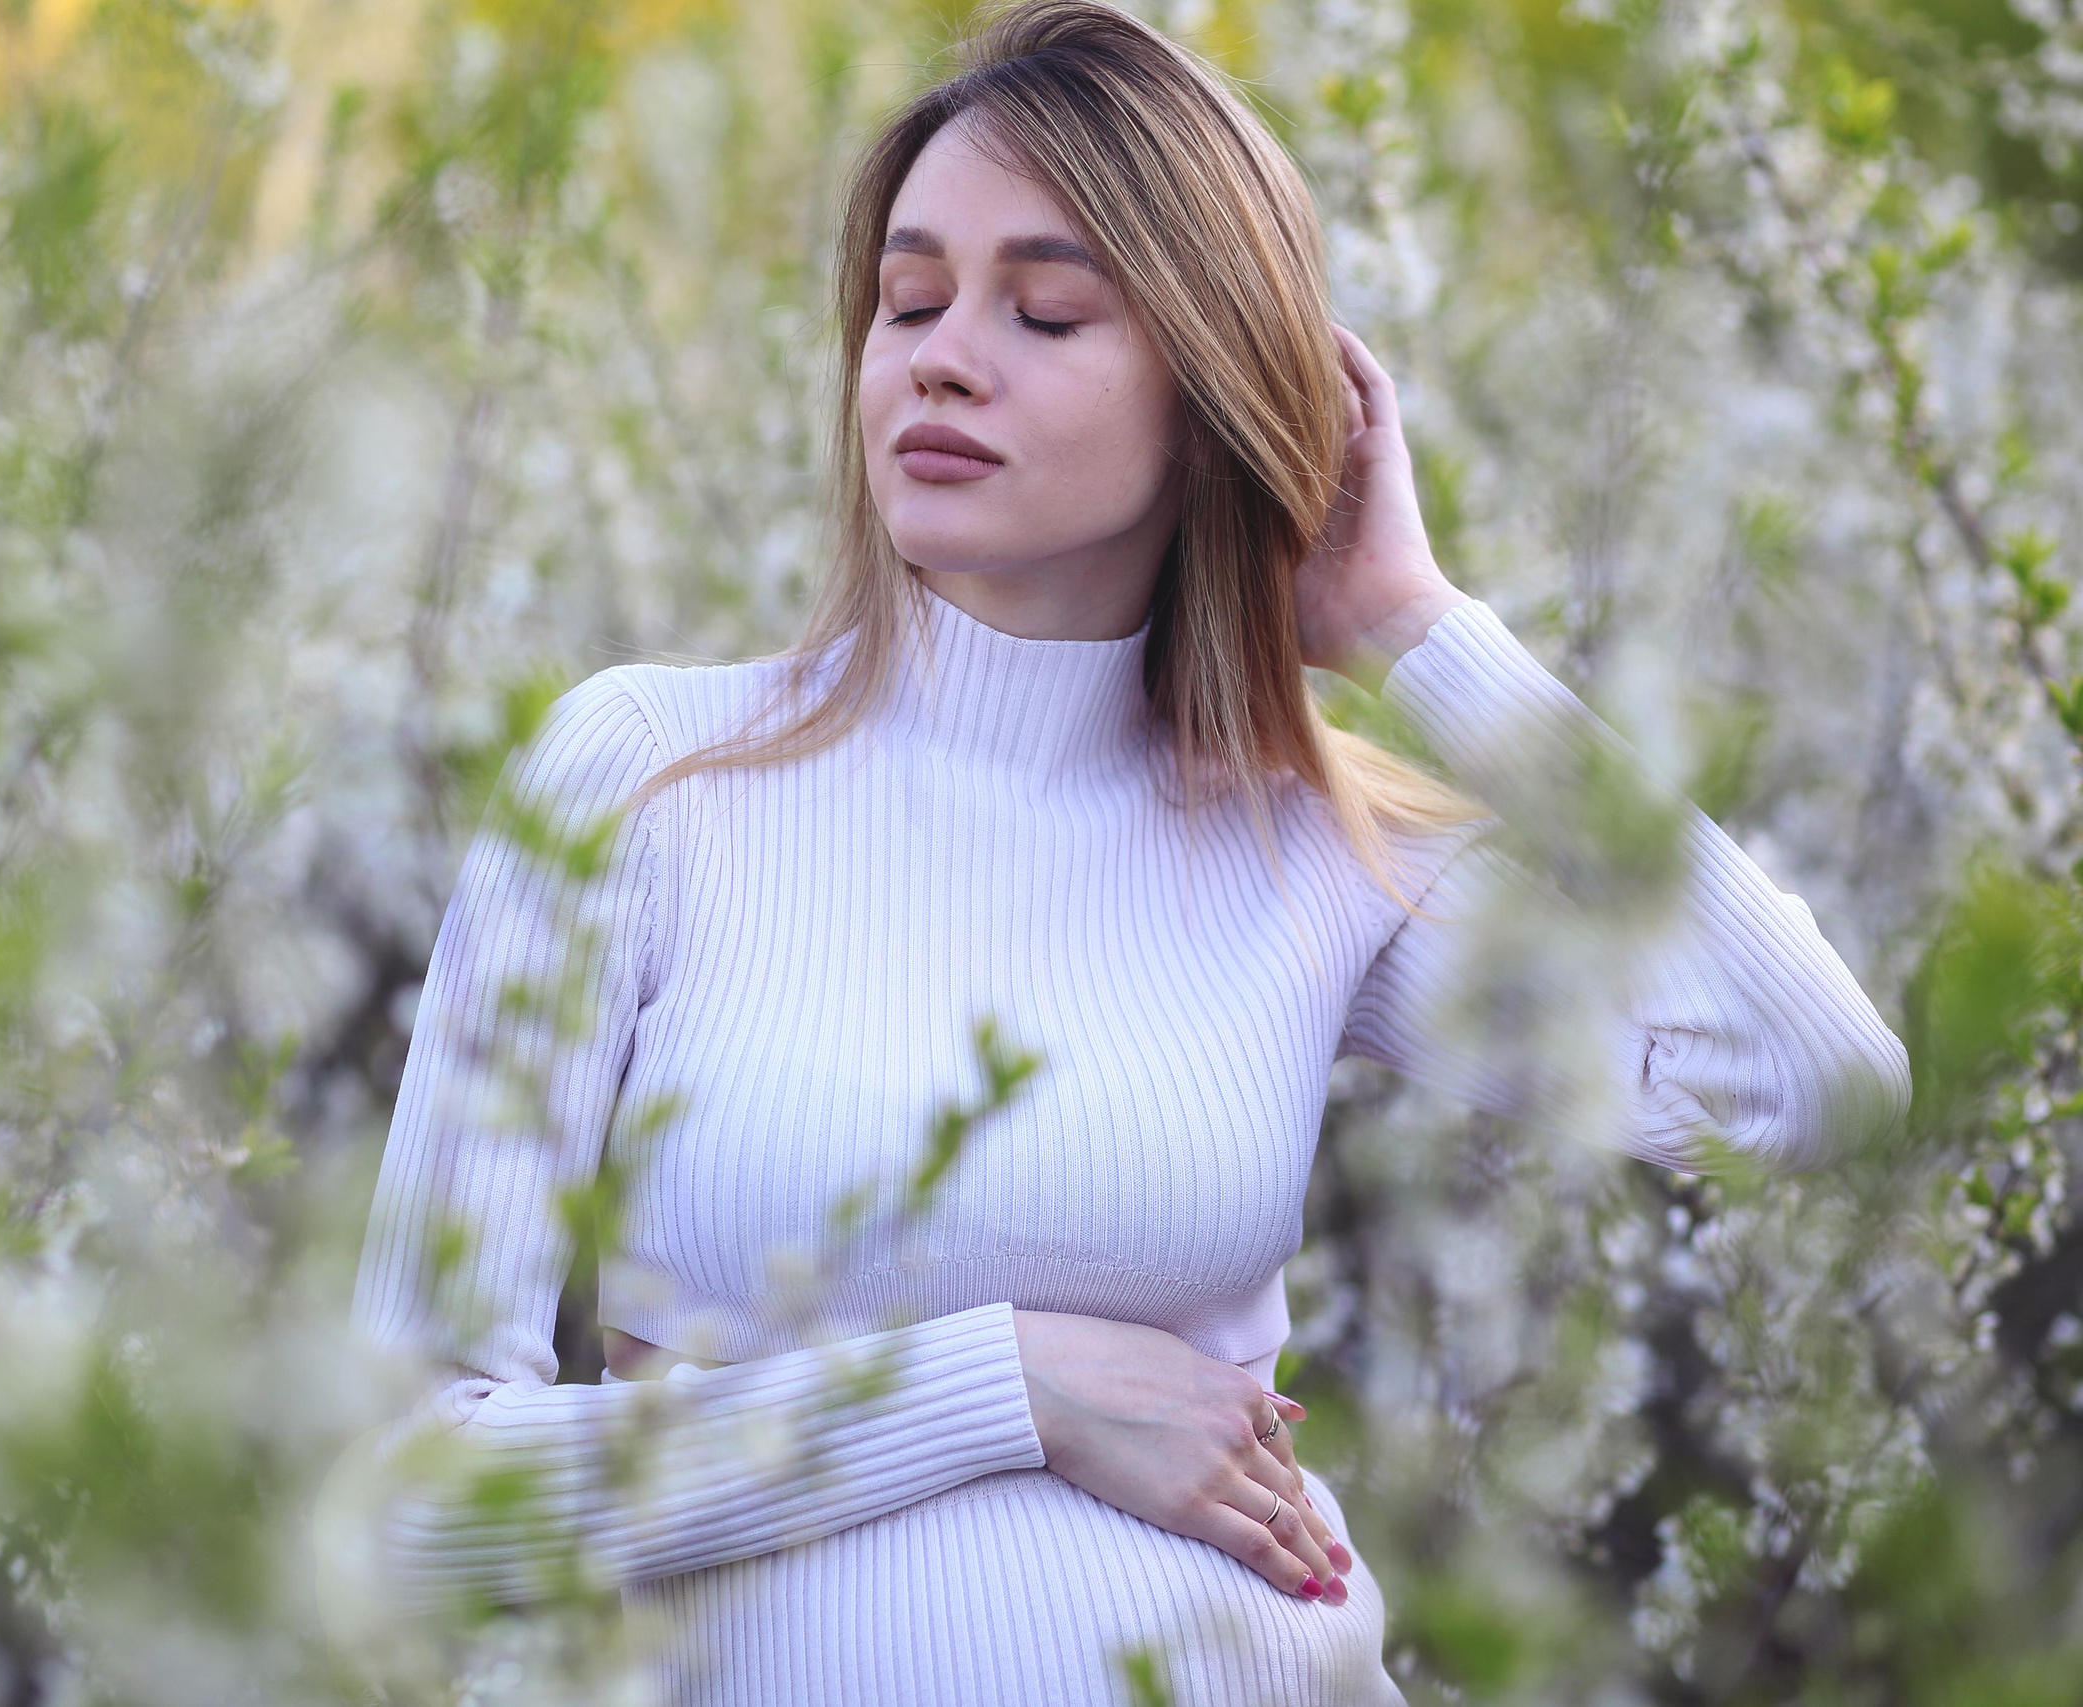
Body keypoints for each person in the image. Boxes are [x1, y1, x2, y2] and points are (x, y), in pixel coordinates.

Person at [316, 2, 1914, 1701]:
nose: (941, 358)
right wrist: (1009, 1386)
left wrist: (1414, 626)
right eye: (909, 301)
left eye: (1047, 310)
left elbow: (1816, 1086)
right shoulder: (649, 776)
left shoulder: (1316, 844)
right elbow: (402, 1505)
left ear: (1212, 388)